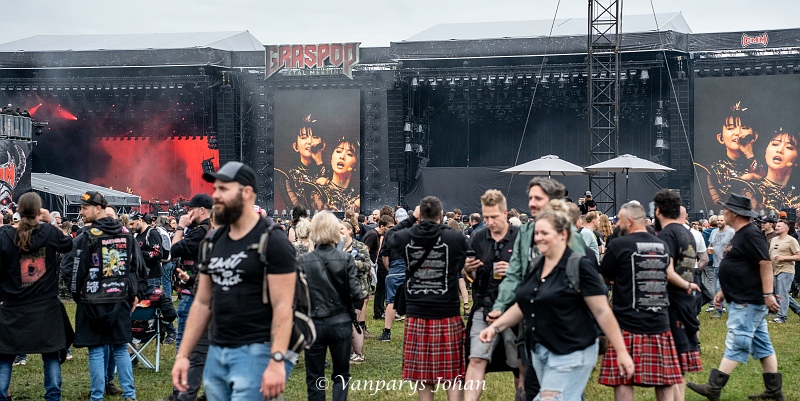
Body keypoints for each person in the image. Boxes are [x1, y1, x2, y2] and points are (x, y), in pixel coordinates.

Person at [481, 199, 633, 401]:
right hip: (540, 350)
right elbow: (525, 304)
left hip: (572, 351)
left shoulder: (579, 266)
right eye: (537, 233)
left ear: (563, 234)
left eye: (545, 233)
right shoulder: (536, 264)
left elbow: (602, 311)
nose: (539, 238)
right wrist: (495, 327)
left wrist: (621, 351)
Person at [172, 162, 298, 400]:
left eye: (223, 189)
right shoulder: (212, 241)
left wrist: (276, 360)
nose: (215, 196)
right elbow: (202, 302)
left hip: (257, 351)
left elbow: (284, 306)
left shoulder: (273, 241)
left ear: (247, 193)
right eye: (215, 189)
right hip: (217, 351)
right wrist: (183, 355)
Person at [489, 177, 588, 401]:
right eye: (530, 198)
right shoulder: (526, 232)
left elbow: (582, 280)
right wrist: (499, 306)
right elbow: (514, 273)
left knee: (567, 391)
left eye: (538, 198)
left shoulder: (569, 234)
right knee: (533, 383)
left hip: (564, 324)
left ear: (553, 202)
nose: (531, 203)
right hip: (532, 321)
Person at [688, 193, 783, 401]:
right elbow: (739, 265)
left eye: (725, 209)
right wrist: (723, 291)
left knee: (738, 341)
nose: (722, 212)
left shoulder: (751, 233)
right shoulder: (740, 233)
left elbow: (765, 263)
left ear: (734, 213)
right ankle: (774, 391)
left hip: (748, 300)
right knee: (763, 345)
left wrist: (768, 294)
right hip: (741, 297)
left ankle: (713, 387)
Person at [598, 202, 683, 401]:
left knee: (623, 379)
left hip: (627, 321)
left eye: (619, 220)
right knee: (664, 381)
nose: (617, 224)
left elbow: (604, 275)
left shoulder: (619, 245)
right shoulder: (662, 245)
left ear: (629, 221)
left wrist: (619, 279)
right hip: (659, 321)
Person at [67, 191, 148, 401]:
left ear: (98, 208)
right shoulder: (126, 233)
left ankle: (97, 397)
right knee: (120, 347)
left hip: (92, 301)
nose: (81, 212)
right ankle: (130, 395)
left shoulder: (88, 235)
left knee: (96, 350)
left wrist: (77, 295)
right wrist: (133, 293)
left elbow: (78, 270)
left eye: (85, 208)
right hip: (119, 298)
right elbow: (134, 268)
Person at [391, 198, 469, 401]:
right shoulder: (455, 238)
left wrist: (411, 219)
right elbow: (468, 260)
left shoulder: (406, 236)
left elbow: (390, 236)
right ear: (441, 214)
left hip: (417, 313)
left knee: (423, 376)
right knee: (453, 375)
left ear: (420, 214)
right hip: (448, 313)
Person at [0, 193, 72, 401]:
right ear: (38, 210)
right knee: (51, 355)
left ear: (18, 210)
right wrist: (51, 222)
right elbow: (68, 245)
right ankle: (53, 396)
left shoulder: (5, 236)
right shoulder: (49, 232)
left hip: (13, 306)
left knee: (5, 356)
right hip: (45, 305)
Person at [462, 190, 520, 401]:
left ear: (505, 213)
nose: (489, 222)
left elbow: (535, 274)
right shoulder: (479, 237)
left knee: (520, 364)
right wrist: (468, 270)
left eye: (494, 217)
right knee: (476, 358)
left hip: (516, 308)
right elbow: (470, 277)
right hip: (484, 306)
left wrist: (513, 270)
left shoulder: (520, 237)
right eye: (486, 217)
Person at [299, 211, 361, 401]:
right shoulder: (345, 259)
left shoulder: (303, 261)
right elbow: (356, 293)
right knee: (341, 374)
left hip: (313, 323)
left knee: (315, 377)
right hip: (340, 321)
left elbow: (298, 296)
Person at [652, 190, 704, 401]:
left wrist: (686, 285)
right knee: (678, 367)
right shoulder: (688, 232)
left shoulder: (667, 234)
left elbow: (668, 271)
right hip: (686, 301)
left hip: (672, 301)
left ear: (657, 211)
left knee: (670, 364)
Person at [163, 193, 212, 401]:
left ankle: (180, 393)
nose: (187, 213)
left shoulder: (201, 232)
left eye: (190, 209)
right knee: (205, 348)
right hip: (198, 289)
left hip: (193, 295)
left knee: (185, 346)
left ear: (202, 210)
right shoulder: (210, 231)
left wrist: (180, 227)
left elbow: (173, 250)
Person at [339, 220, 371, 363]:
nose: (339, 232)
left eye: (342, 229)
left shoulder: (360, 246)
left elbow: (368, 265)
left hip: (357, 288)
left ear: (350, 231)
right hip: (340, 289)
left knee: (353, 321)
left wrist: (355, 263)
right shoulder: (335, 247)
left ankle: (358, 354)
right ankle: (349, 352)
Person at [316, 136, 360, 212]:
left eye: (349, 154)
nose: (342, 157)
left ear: (356, 165)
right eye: (339, 151)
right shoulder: (319, 190)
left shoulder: (358, 199)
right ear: (331, 159)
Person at [768, 220, 800, 323]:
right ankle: (798, 310)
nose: (776, 227)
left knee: (782, 293)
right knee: (781, 294)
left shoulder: (791, 240)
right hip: (775, 270)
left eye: (779, 226)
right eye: (776, 226)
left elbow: (798, 256)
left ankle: (782, 317)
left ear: (786, 229)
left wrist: (784, 258)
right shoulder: (773, 240)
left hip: (786, 270)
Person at [708, 213, 735, 318]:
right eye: (718, 220)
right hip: (716, 263)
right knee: (722, 286)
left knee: (720, 286)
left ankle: (719, 309)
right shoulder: (714, 232)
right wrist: (709, 249)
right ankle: (725, 307)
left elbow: (736, 246)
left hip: (727, 264)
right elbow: (711, 245)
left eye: (721, 220)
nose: (719, 222)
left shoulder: (731, 232)